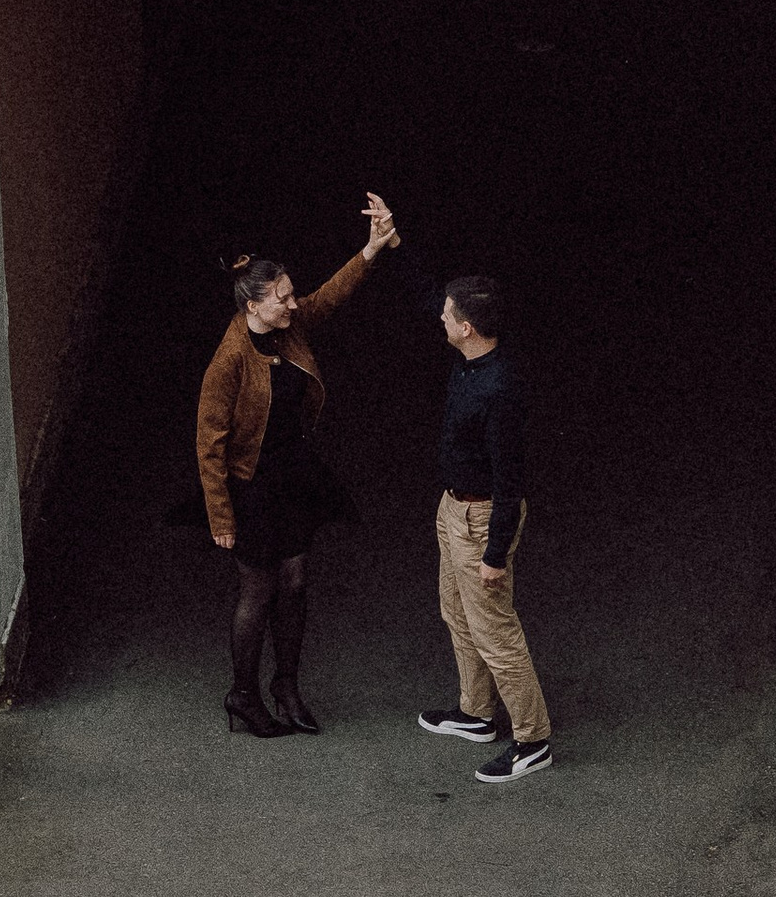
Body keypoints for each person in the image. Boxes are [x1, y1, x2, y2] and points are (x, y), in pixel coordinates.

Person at [197, 192, 398, 737]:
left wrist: (372, 248)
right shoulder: (230, 360)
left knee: (296, 580)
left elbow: (328, 297)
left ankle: (286, 685)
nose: (293, 303)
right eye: (283, 298)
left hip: (294, 475)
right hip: (253, 486)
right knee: (257, 590)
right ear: (252, 307)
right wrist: (220, 518)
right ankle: (242, 694)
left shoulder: (289, 325)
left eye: (290, 295)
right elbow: (209, 444)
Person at [418, 272, 552, 784]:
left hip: (481, 519)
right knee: (456, 614)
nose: (441, 318)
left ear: (467, 327)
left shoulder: (500, 387)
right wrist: (393, 243)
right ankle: (475, 714)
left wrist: (495, 553)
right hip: (452, 509)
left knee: (496, 632)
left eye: (449, 315)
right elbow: (431, 296)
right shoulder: (471, 356)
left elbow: (510, 480)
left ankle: (532, 739)